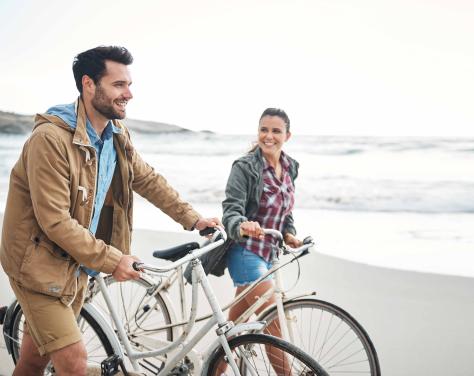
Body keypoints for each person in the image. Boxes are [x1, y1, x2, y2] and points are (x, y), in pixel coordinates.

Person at [0, 46, 220, 376]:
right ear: (89, 84)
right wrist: (113, 260)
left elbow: (145, 178)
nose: (129, 93)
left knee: (33, 361)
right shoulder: (50, 140)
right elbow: (54, 220)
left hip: (74, 264)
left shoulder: (115, 134)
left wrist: (193, 218)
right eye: (119, 85)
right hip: (37, 265)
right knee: (73, 362)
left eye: (128, 84)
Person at [222, 108, 303, 334]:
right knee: (273, 321)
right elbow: (231, 211)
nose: (269, 136)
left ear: (287, 136)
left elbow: (285, 211)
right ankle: (288, 372)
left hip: (269, 258)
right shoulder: (245, 167)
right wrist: (242, 224)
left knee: (232, 333)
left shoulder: (290, 167)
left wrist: (289, 234)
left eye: (276, 131)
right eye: (264, 130)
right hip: (246, 252)